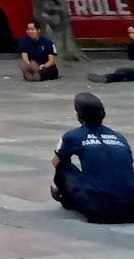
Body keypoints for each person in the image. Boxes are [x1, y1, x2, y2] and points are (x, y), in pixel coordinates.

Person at [54, 91, 134, 224]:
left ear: (78, 115)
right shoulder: (119, 137)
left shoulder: (72, 136)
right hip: (131, 209)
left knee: (62, 167)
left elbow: (56, 162)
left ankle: (67, 199)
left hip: (99, 210)